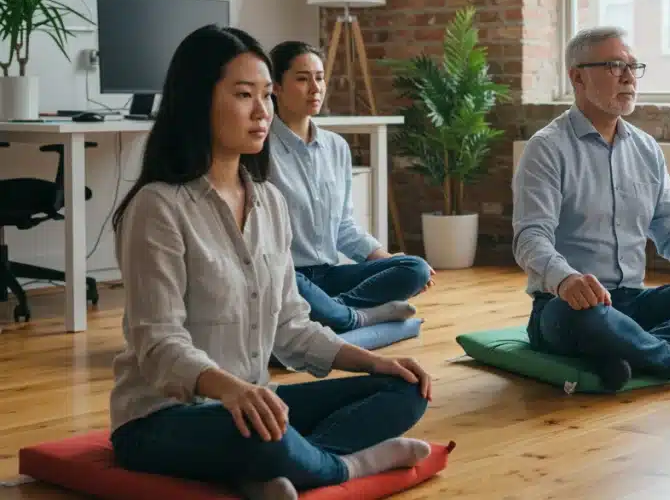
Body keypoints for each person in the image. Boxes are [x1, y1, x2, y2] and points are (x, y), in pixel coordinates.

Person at [108, 25, 434, 500]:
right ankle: (347, 465)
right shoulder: (158, 207)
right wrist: (230, 391)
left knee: (403, 390)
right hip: (165, 417)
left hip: (258, 405)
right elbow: (158, 344)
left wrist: (375, 363)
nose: (263, 112)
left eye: (266, 95)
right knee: (263, 435)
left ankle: (278, 469)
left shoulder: (269, 202)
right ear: (199, 100)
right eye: (244, 95)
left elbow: (291, 326)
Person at [512, 26, 670, 392]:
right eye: (615, 65)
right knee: (587, 319)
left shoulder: (646, 149)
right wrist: (566, 279)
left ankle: (632, 352)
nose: (630, 77)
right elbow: (530, 238)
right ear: (578, 77)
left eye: (633, 66)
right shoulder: (547, 148)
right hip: (570, 307)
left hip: (634, 303)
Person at [265, 40, 433, 334]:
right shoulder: (259, 150)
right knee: (290, 287)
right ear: (276, 87)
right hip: (286, 277)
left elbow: (344, 227)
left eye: (319, 78)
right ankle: (354, 317)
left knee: (415, 268)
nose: (315, 88)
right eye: (302, 79)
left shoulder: (336, 147)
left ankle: (334, 312)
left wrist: (390, 260)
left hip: (330, 276)